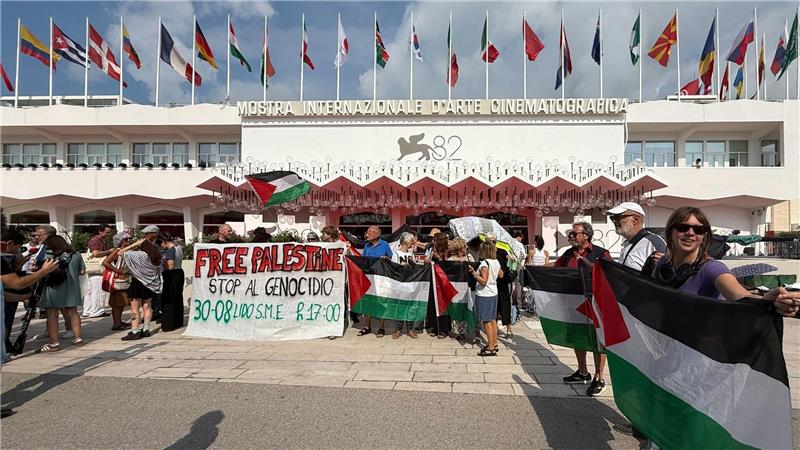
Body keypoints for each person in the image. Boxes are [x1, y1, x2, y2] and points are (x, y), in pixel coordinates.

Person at [648, 207, 800, 317]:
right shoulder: (664, 263)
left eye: (699, 230)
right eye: (683, 227)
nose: (690, 233)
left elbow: (740, 295)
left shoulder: (712, 268)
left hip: (697, 347)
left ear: (704, 236)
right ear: (670, 232)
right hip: (667, 342)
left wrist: (768, 301)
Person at [553, 221, 610, 397]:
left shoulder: (601, 253)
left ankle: (599, 377)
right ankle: (582, 372)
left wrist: (589, 266)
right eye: (569, 234)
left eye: (574, 233)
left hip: (595, 305)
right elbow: (555, 269)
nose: (570, 236)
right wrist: (531, 269)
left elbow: (610, 275)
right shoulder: (567, 254)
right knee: (578, 337)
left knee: (597, 341)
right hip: (573, 303)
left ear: (586, 235)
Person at [37, 235, 86, 352]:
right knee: (73, 313)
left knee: (52, 315)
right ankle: (78, 338)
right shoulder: (76, 255)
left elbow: (41, 270)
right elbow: (82, 271)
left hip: (53, 288)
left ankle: (54, 343)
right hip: (72, 288)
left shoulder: (48, 255)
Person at [118, 237, 163, 340]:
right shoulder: (155, 255)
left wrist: (133, 245)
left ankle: (135, 330)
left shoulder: (139, 254)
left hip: (138, 282)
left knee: (135, 308)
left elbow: (120, 253)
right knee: (147, 306)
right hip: (149, 283)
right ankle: (146, 329)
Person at [606, 202, 666, 272]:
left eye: (618, 217)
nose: (614, 221)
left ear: (635, 220)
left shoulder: (653, 241)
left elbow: (668, 271)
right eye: (612, 218)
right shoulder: (627, 243)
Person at [469, 240, 503, 356]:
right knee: (493, 320)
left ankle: (490, 347)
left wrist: (474, 274)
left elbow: (483, 281)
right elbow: (501, 275)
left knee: (487, 321)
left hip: (484, 294)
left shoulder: (484, 263)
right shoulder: (496, 261)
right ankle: (494, 343)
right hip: (494, 292)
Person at [358, 225, 392, 337]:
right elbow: (363, 260)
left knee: (381, 302)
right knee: (368, 301)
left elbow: (391, 259)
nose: (366, 235)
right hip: (369, 279)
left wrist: (386, 259)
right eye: (367, 232)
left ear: (377, 234)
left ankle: (381, 328)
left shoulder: (385, 245)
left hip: (381, 279)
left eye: (369, 233)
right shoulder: (367, 245)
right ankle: (367, 326)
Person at [390, 232, 420, 339]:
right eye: (411, 241)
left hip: (410, 284)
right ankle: (398, 329)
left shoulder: (411, 255)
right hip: (399, 285)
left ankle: (410, 329)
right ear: (407, 241)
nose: (413, 243)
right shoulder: (396, 254)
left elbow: (415, 270)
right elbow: (393, 270)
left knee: (410, 307)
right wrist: (400, 266)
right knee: (399, 307)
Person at [102, 232, 133, 331]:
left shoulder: (124, 250)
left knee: (120, 303)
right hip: (119, 281)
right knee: (117, 303)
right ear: (122, 241)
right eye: (127, 239)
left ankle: (118, 322)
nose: (129, 241)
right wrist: (117, 270)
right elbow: (105, 262)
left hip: (123, 280)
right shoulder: (118, 251)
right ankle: (117, 324)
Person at [82, 224, 114, 319]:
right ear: (100, 231)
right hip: (97, 270)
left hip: (92, 269)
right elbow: (96, 254)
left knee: (90, 291)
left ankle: (87, 310)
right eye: (107, 232)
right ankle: (96, 311)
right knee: (98, 291)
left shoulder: (95, 240)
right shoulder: (96, 241)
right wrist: (109, 251)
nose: (109, 234)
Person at [426, 232, 451, 338]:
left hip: (443, 281)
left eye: (435, 239)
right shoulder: (432, 249)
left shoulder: (447, 251)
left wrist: (439, 258)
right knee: (433, 303)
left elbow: (447, 265)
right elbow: (426, 260)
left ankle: (444, 329)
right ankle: (435, 327)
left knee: (443, 304)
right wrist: (428, 260)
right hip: (433, 279)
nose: (433, 241)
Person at [447, 238, 472, 341]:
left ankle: (467, 330)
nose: (466, 247)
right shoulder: (450, 260)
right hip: (455, 288)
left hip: (467, 287)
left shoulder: (469, 257)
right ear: (459, 248)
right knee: (456, 307)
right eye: (464, 246)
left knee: (466, 307)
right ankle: (457, 331)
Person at [159, 232, 185, 332]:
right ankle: (178, 322)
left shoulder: (171, 250)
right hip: (179, 273)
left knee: (169, 299)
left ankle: (168, 324)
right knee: (177, 298)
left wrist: (162, 262)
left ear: (164, 241)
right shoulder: (178, 247)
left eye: (161, 243)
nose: (161, 246)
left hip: (171, 275)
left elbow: (170, 266)